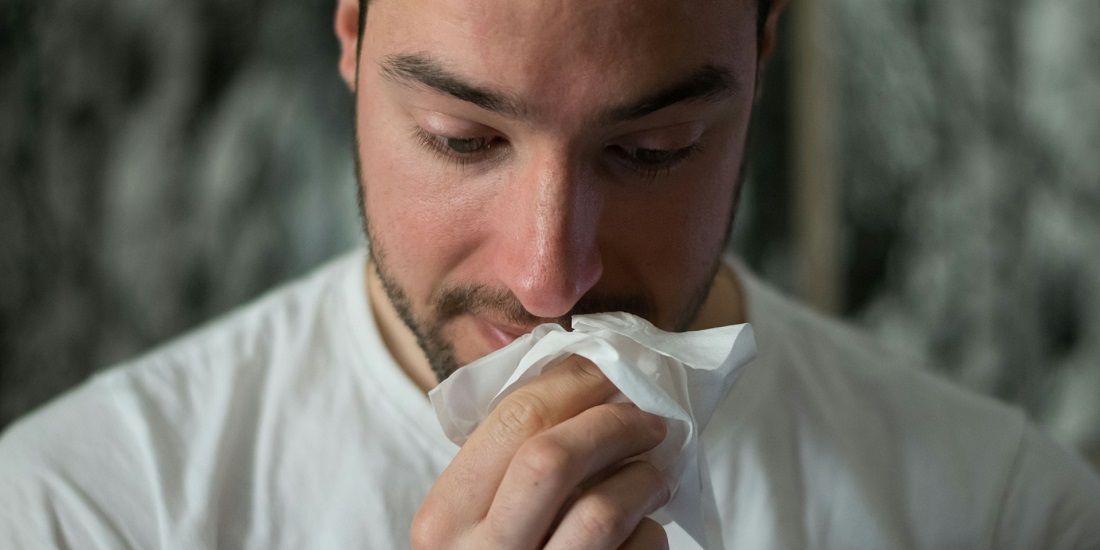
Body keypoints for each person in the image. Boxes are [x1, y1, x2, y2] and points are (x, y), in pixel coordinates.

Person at [2, 0, 1099, 548]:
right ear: (348, 33)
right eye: (461, 138)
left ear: (760, 55)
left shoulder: (1003, 513)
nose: (548, 277)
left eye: (651, 150)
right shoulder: (81, 512)